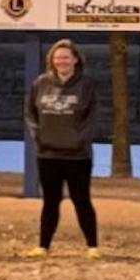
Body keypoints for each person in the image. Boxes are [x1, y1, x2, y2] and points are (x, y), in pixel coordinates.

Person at [23, 38, 100, 259]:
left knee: (81, 199)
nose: (62, 61)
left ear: (75, 59)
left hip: (77, 155)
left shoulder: (86, 85)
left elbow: (92, 117)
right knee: (50, 201)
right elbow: (30, 113)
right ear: (51, 61)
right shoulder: (40, 83)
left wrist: (80, 140)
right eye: (57, 58)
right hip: (48, 153)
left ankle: (92, 246)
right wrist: (38, 136)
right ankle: (43, 246)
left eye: (66, 57)